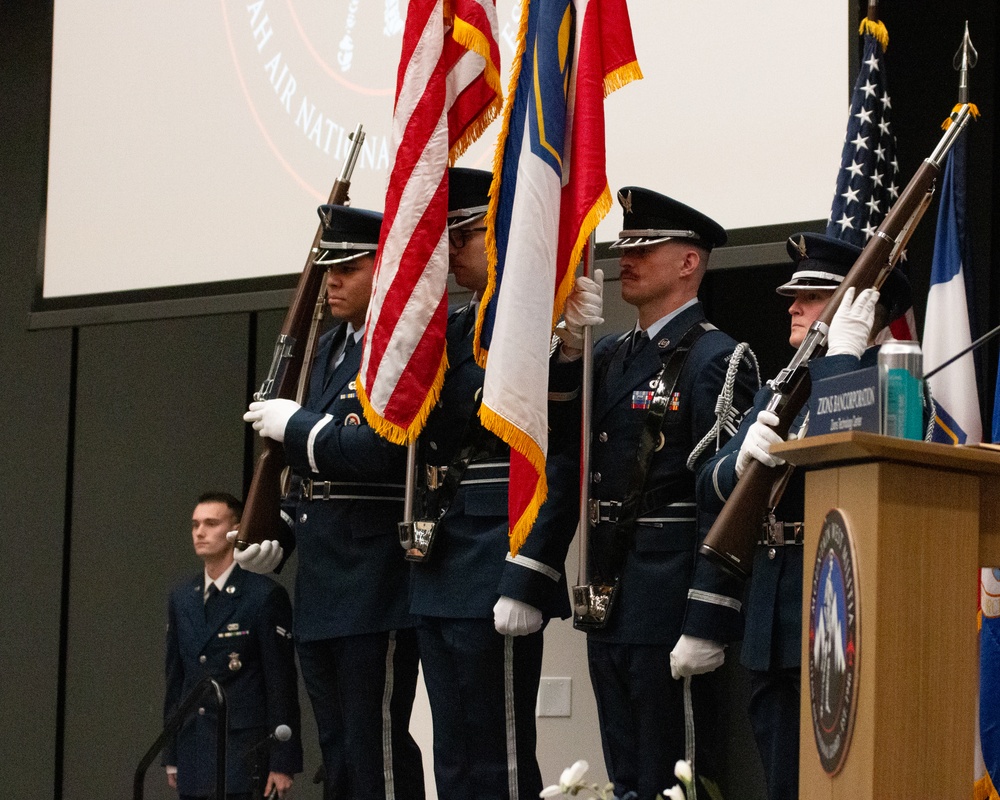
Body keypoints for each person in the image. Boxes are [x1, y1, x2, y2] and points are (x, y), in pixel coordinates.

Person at [546, 187, 760, 799]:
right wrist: (566, 351)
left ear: (689, 262)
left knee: (680, 775)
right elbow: (561, 441)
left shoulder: (716, 357)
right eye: (626, 245)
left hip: (670, 594)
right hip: (610, 586)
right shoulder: (608, 354)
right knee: (627, 776)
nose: (625, 259)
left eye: (646, 247)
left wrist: (707, 616)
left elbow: (727, 497)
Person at [697, 232, 912, 800]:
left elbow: (853, 454)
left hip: (845, 619)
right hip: (774, 620)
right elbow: (707, 485)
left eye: (814, 296)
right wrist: (740, 462)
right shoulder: (782, 386)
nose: (792, 306)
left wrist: (843, 360)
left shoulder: (897, 388)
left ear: (863, 309)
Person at [238, 205, 424, 799]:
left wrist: (298, 427)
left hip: (376, 579)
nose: (333, 281)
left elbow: (381, 452)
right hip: (321, 579)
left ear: (382, 267)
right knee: (339, 748)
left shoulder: (398, 350)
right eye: (328, 268)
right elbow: (305, 476)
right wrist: (280, 536)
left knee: (378, 745)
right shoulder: (326, 349)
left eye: (348, 267)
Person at [407, 167, 578, 800]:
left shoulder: (539, 325)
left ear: (505, 231)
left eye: (465, 234)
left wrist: (528, 572)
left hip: (497, 555)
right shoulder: (449, 331)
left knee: (500, 760)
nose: (451, 252)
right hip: (441, 556)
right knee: (451, 758)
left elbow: (554, 460)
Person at [163, 491, 302, 800]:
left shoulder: (262, 595)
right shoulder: (182, 596)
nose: (199, 532)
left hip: (244, 749)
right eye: (195, 524)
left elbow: (280, 683)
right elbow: (177, 680)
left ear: (235, 530)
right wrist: (170, 750)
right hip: (195, 744)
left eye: (211, 523)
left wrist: (282, 760)